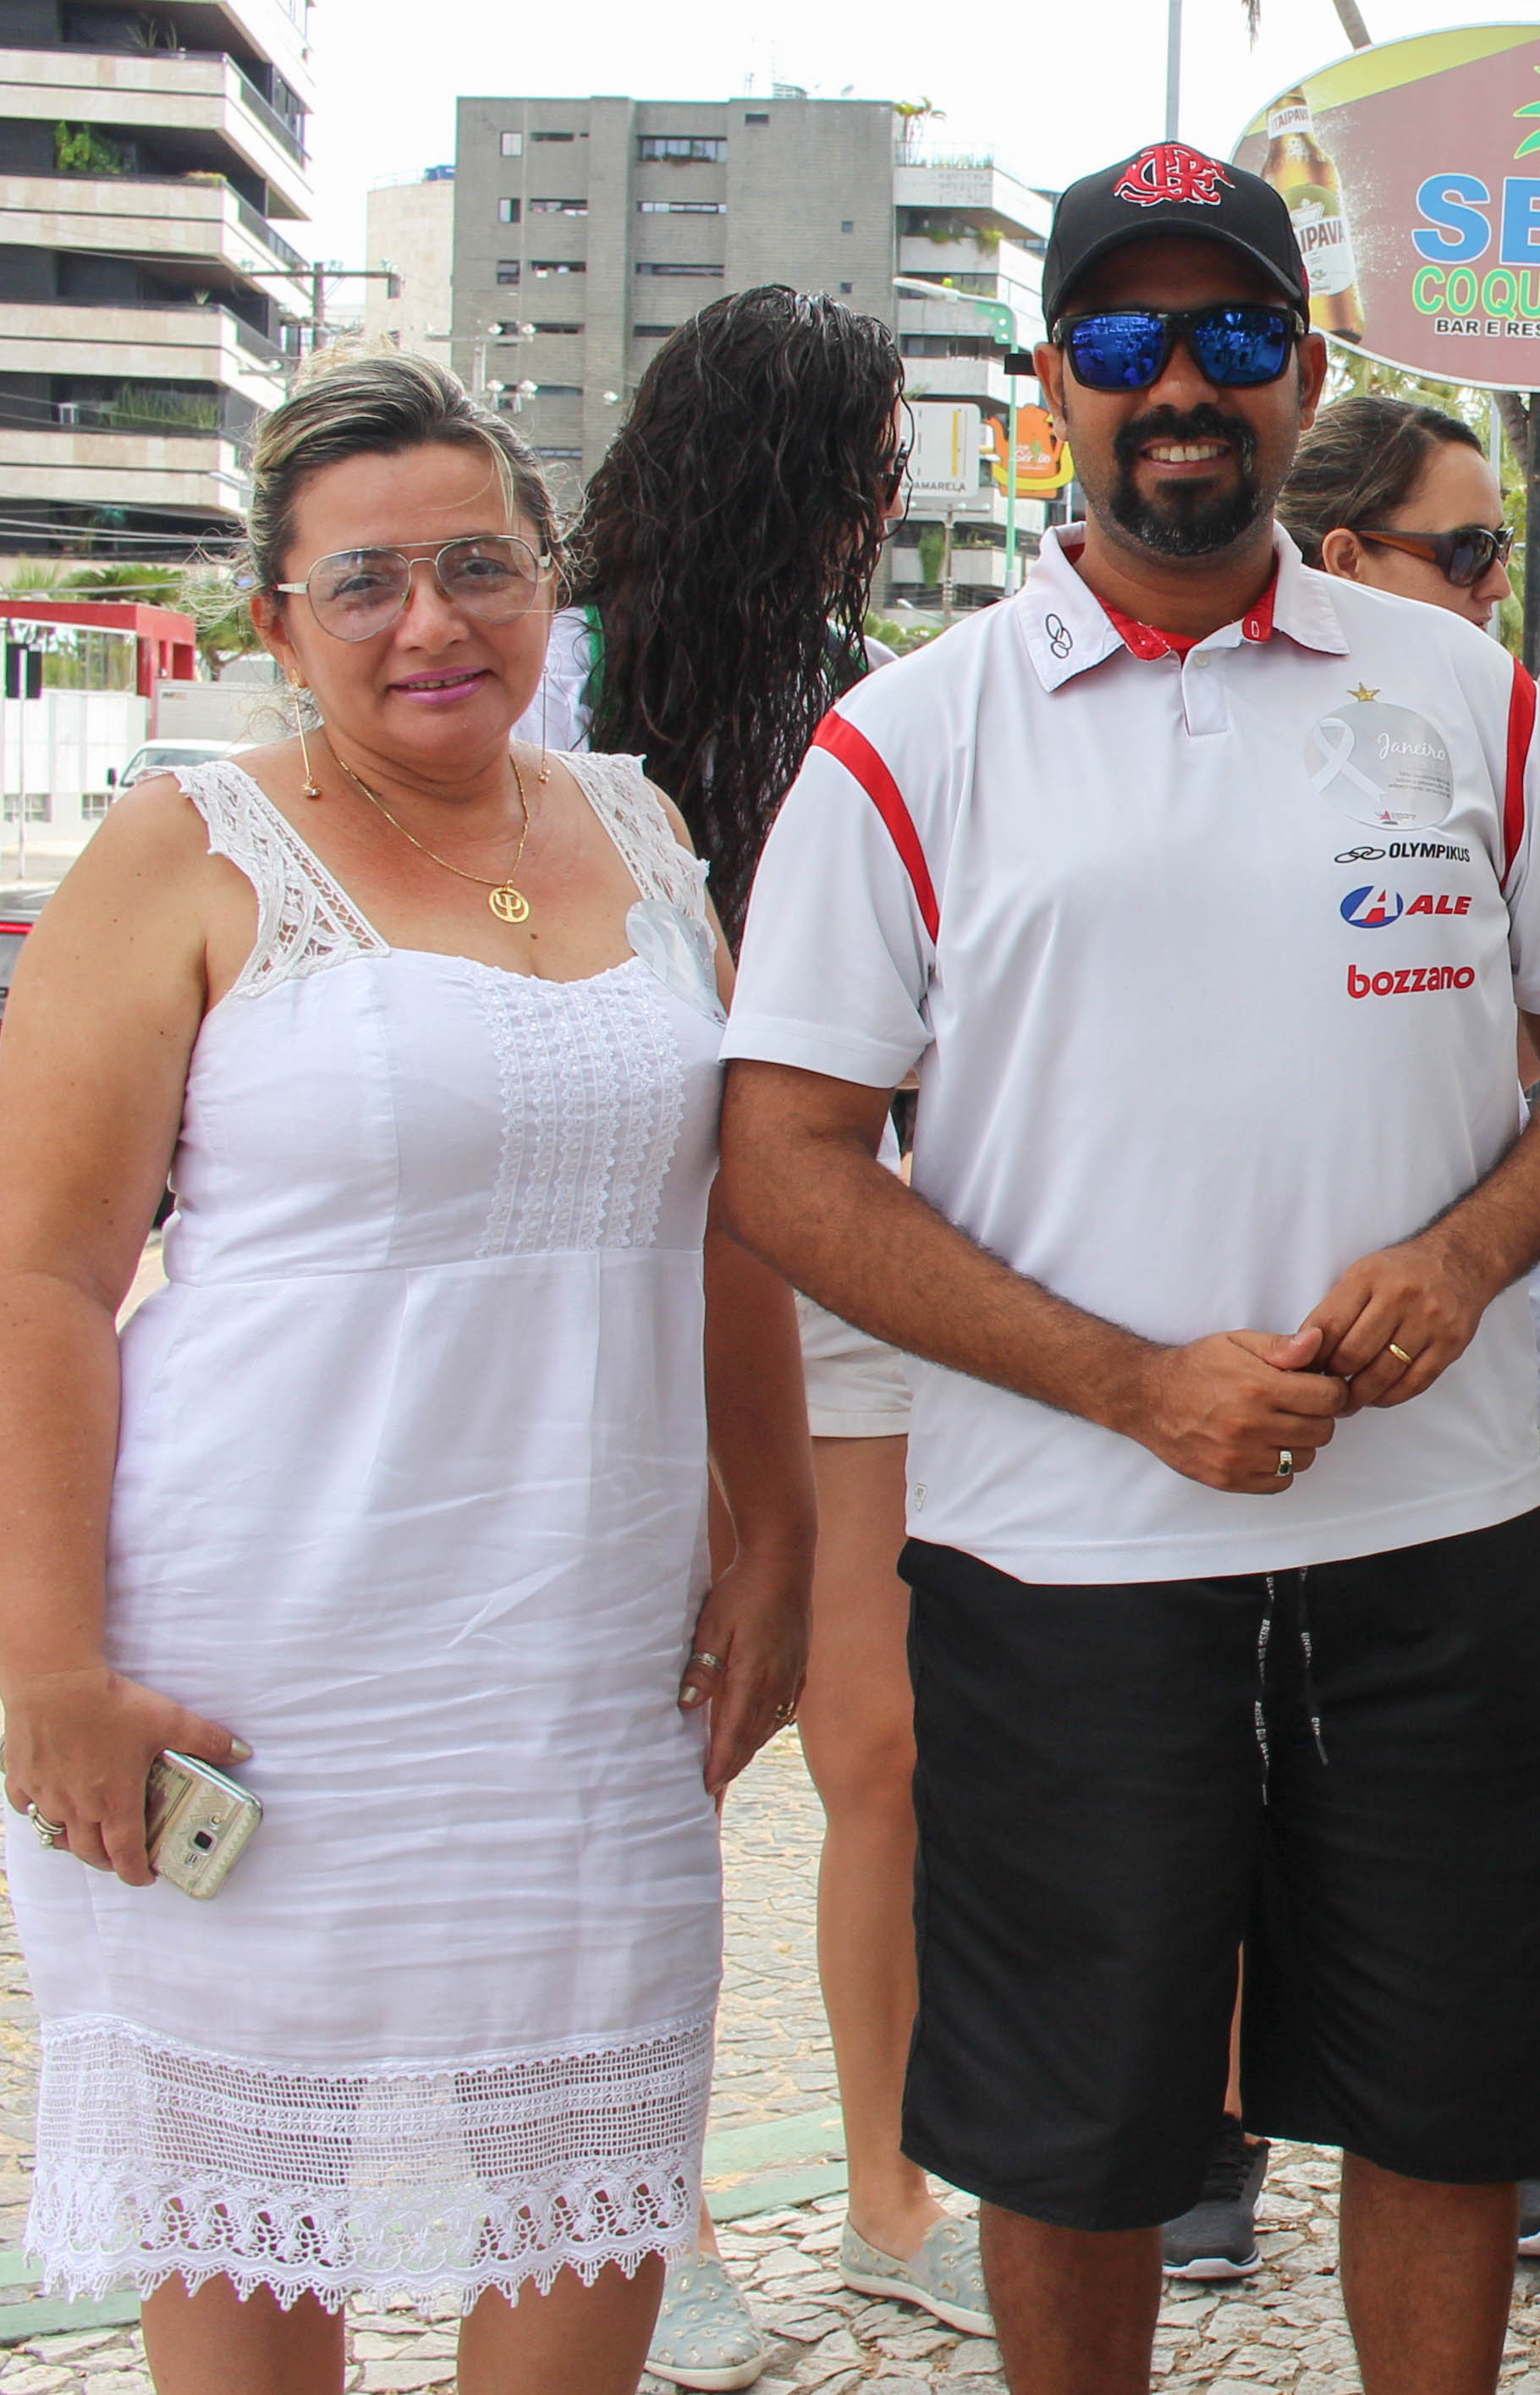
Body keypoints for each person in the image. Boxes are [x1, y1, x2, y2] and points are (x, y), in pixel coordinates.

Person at [712, 145, 1540, 2395]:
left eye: (1232, 334)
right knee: (1078, 2130)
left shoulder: (1462, 691)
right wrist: (1130, 1381)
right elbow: (785, 1157)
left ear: (1303, 375)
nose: (1181, 384)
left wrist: (1468, 1249)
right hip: (1062, 1561)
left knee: (1450, 2093)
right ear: (1051, 385)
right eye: (1127, 340)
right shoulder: (908, 739)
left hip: (1432, 1539)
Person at [0, 353, 812, 2389]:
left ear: (547, 579)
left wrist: (780, 1531)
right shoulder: (185, 846)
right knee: (249, 2224)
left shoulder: (641, 828)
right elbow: (40, 1273)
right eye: (364, 582)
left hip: (580, 1656)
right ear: (276, 619)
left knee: (595, 2196)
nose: (431, 620)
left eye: (478, 564)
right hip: (255, 1656)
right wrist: (48, 1663)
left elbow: (727, 1218)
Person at [531, 284, 993, 2387]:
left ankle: (892, 2196)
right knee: (665, 1755)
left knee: (881, 1743)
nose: (882, 501)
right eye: (864, 461)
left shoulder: (877, 699)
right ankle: (662, 2214)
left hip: (847, 1257)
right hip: (628, 1277)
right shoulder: (562, 683)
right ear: (774, 465)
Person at [1264, 386, 1540, 2277]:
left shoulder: (1495, 723)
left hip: (1491, 1308)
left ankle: (1498, 2110)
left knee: (1486, 1734)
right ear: (1346, 557)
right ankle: (1220, 2124)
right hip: (1227, 1378)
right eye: (1467, 551)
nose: (1493, 584)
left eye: (1496, 552)